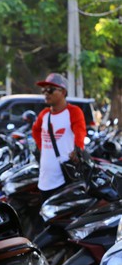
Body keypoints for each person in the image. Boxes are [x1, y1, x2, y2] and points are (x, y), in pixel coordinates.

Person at [31, 73, 86, 201]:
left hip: (64, 179)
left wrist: (77, 149)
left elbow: (80, 132)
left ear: (63, 92)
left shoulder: (73, 112)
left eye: (50, 89)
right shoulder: (44, 114)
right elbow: (35, 130)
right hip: (44, 179)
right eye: (44, 90)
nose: (46, 93)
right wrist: (41, 148)